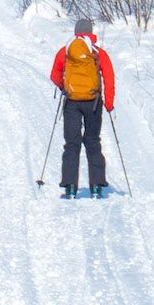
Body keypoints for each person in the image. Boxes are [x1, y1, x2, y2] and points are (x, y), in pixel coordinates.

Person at [49, 17, 116, 199]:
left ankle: (70, 186)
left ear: (76, 33)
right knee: (93, 141)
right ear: (91, 33)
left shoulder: (66, 51)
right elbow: (109, 77)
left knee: (72, 143)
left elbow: (54, 75)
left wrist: (66, 88)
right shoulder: (98, 53)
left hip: (72, 102)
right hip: (93, 102)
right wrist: (109, 103)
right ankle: (96, 186)